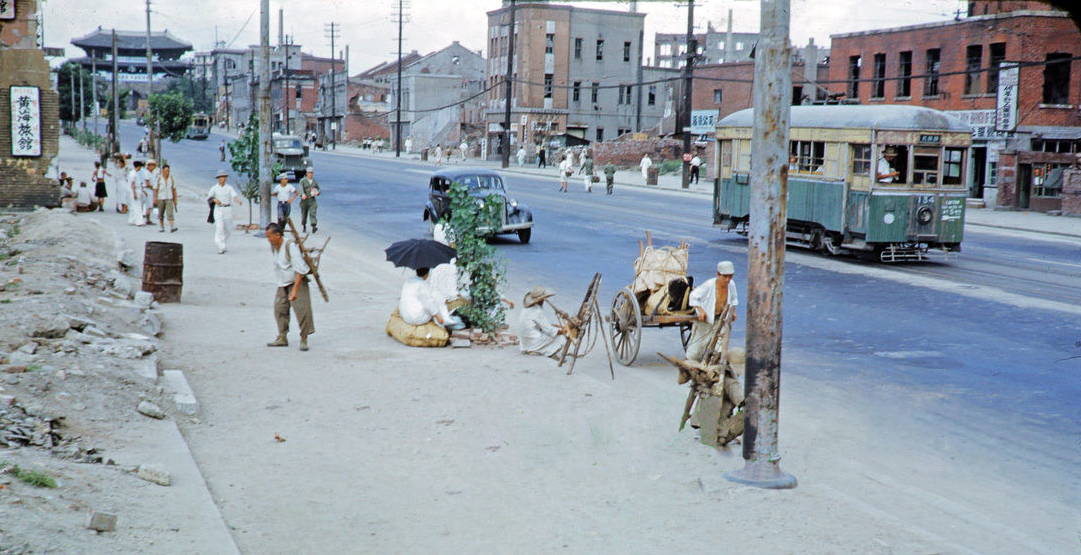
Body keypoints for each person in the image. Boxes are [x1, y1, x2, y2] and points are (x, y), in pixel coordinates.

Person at [264, 222, 315, 351]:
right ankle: (282, 337)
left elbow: (299, 270)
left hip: (297, 281)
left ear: (278, 235)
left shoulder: (290, 246)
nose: (268, 239)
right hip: (283, 282)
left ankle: (304, 339)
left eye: (270, 236)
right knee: (279, 309)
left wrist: (295, 291)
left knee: (302, 311)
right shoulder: (274, 246)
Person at [685, 261, 739, 363]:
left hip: (720, 320)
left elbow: (733, 299)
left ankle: (714, 368)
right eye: (725, 277)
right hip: (706, 320)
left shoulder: (731, 285)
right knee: (697, 349)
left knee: (720, 348)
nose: (727, 280)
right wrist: (701, 311)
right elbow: (693, 296)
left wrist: (733, 312)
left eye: (730, 277)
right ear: (718, 274)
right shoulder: (709, 285)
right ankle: (687, 366)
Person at [398, 267, 464, 330]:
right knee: (435, 296)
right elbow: (427, 303)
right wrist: (437, 317)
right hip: (415, 318)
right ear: (427, 274)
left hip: (404, 314)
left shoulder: (408, 280)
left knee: (430, 296)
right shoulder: (422, 284)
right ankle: (445, 318)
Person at [518, 286, 566, 358]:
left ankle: (535, 349)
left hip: (524, 342)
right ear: (541, 300)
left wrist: (556, 327)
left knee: (551, 331)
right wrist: (563, 331)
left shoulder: (526, 309)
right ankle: (544, 351)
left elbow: (541, 325)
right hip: (533, 342)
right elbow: (549, 330)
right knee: (561, 338)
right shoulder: (537, 311)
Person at [207, 169, 243, 254]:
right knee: (219, 228)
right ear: (218, 178)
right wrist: (215, 200)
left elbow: (234, 196)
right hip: (219, 209)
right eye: (221, 177)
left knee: (228, 229)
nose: (223, 179)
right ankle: (221, 246)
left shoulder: (229, 188)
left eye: (224, 177)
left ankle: (222, 242)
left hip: (227, 209)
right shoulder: (214, 188)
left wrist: (238, 200)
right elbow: (209, 197)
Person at [154, 163, 178, 233]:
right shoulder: (158, 178)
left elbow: (174, 189)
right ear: (162, 171)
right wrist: (155, 198)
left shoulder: (171, 178)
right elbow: (155, 189)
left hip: (169, 198)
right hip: (160, 198)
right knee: (161, 214)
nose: (167, 172)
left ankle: (172, 227)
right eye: (166, 170)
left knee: (170, 213)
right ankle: (162, 227)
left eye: (168, 171)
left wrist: (175, 199)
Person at [298, 167, 320, 233]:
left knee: (312, 212)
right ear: (306, 173)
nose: (311, 174)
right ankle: (304, 225)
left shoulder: (314, 182)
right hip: (305, 200)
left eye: (312, 173)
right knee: (304, 214)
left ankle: (313, 226)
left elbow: (318, 189)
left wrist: (318, 192)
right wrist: (302, 194)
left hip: (312, 199)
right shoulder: (303, 181)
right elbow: (300, 188)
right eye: (309, 173)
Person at [127, 160, 147, 226]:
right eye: (140, 167)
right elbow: (132, 184)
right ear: (138, 167)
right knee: (138, 207)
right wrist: (134, 193)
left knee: (133, 207)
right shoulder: (133, 173)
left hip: (136, 190)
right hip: (134, 191)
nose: (140, 168)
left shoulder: (134, 173)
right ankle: (139, 222)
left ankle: (131, 220)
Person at [143, 159, 160, 224]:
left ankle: (148, 218)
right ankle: (147, 219)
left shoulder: (152, 173)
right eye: (152, 166)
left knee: (150, 205)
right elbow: (147, 183)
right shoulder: (146, 173)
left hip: (151, 190)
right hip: (148, 190)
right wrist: (154, 188)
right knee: (149, 205)